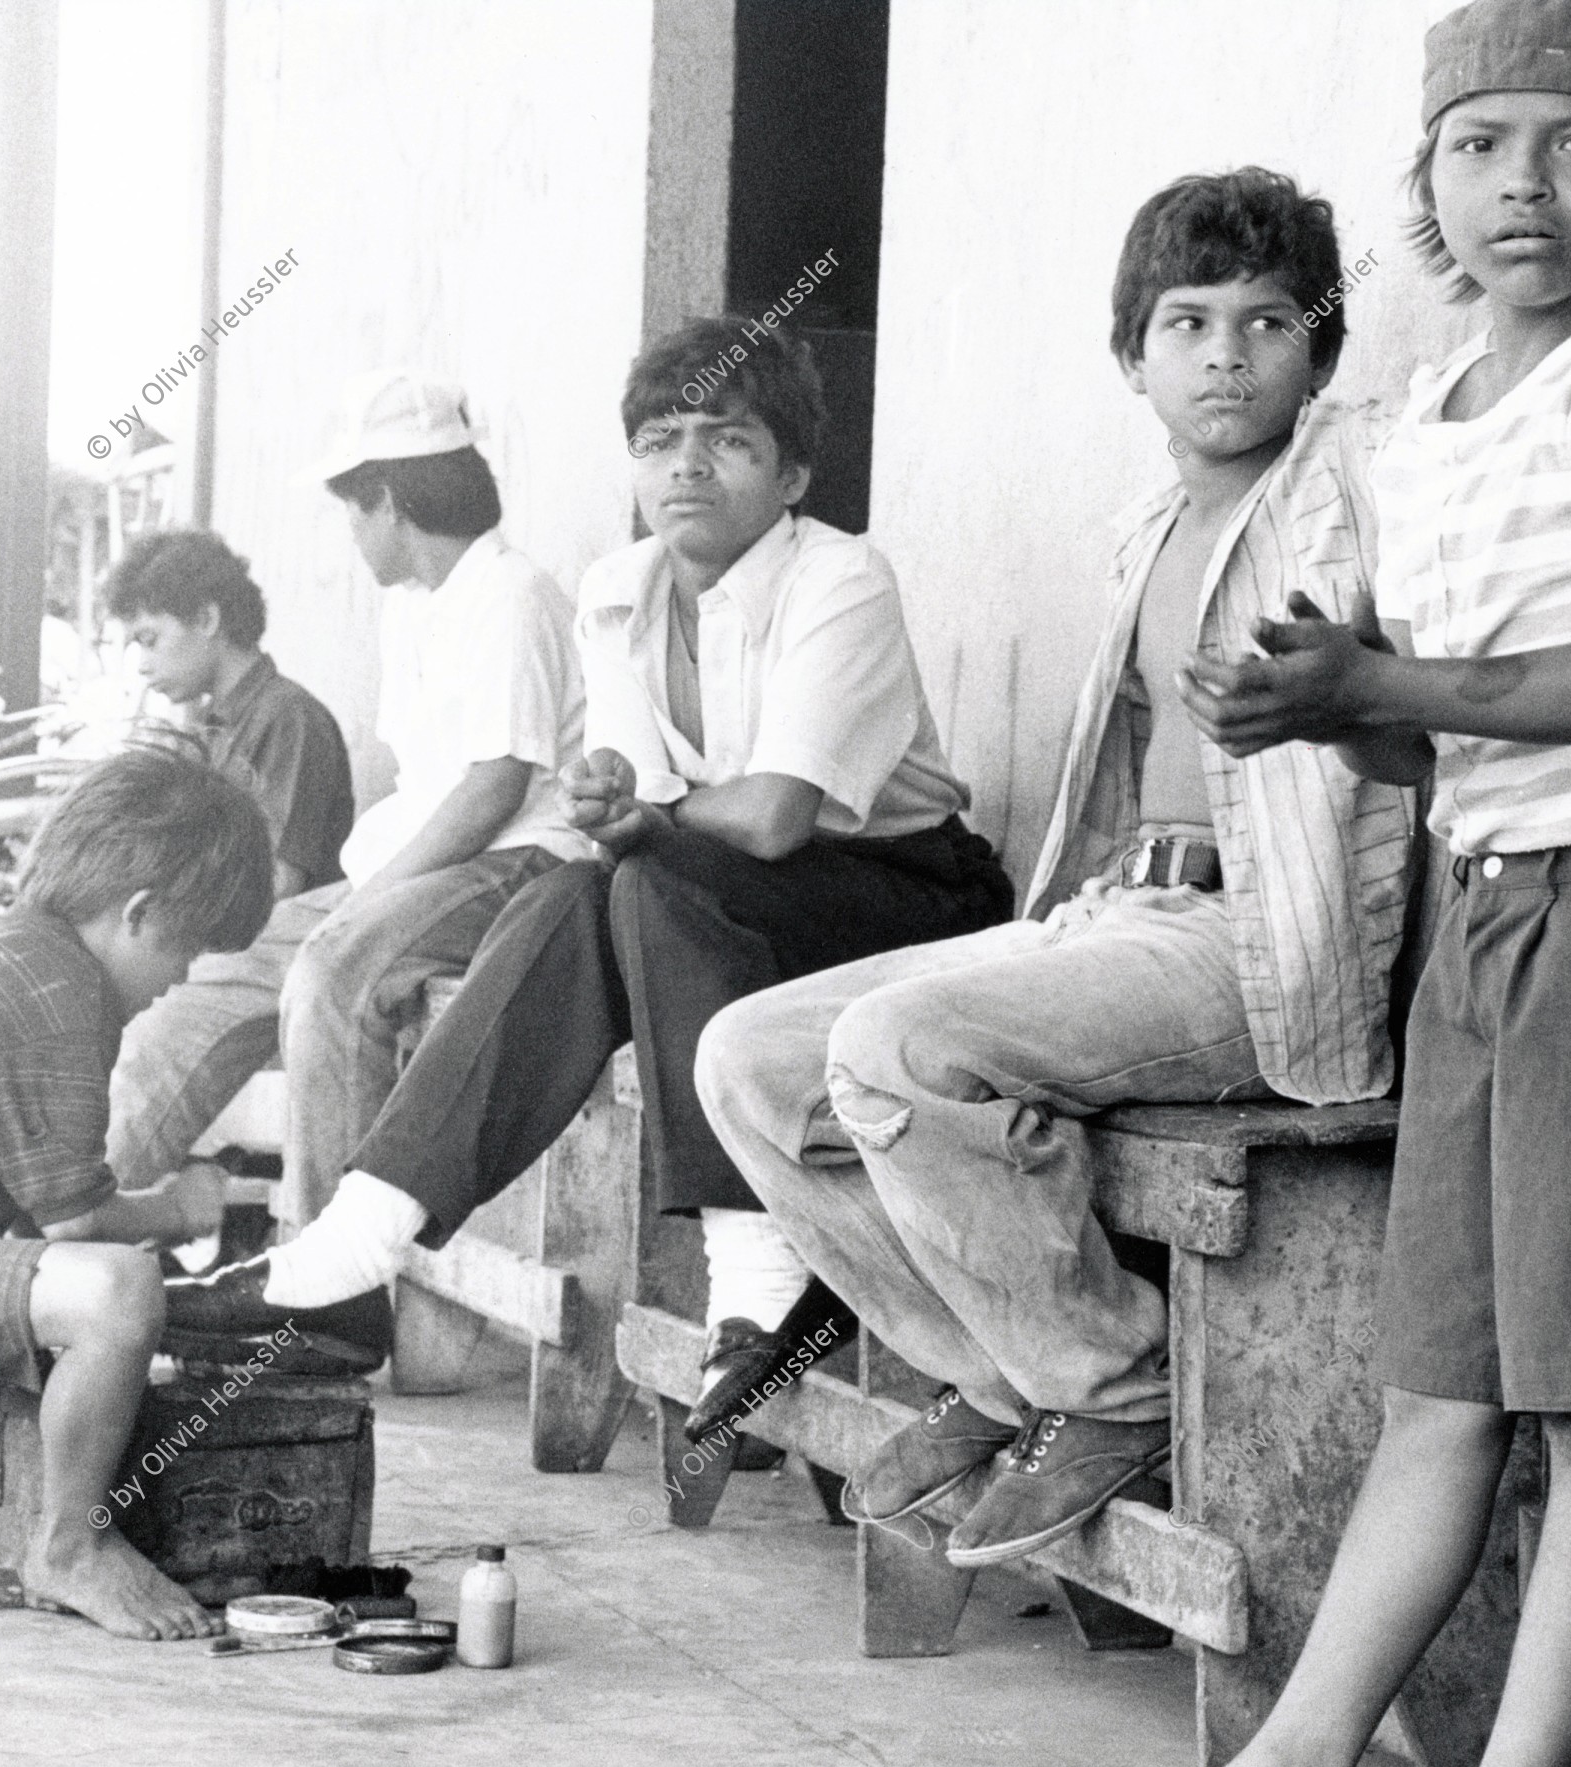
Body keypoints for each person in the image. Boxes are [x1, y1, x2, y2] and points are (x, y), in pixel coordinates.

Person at [695, 169, 1418, 1568]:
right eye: (1187, 322)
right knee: (750, 1058)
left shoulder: (1354, 479)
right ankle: (998, 1371)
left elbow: (1427, 453)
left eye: (1270, 323)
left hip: (1258, 937)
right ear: (1130, 356)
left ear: (1321, 351)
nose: (1226, 353)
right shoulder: (1143, 530)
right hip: (1119, 915)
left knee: (904, 1046)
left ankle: (1110, 1385)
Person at [166, 317, 1013, 1424]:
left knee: (633, 880)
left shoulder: (840, 578)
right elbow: (633, 816)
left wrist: (639, 813)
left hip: (899, 899)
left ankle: (721, 1277)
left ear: (793, 473)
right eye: (661, 440)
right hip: (708, 898)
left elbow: (769, 818)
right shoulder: (619, 588)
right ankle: (377, 1236)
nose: (688, 466)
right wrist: (631, 815)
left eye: (729, 440)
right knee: (603, 884)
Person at [1175, 6, 1571, 1767]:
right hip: (1484, 913)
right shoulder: (1433, 407)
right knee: (1438, 1392)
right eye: (1478, 144)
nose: (1522, 184)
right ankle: (1290, 1754)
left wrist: (1389, 692)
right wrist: (1330, 704)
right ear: (1429, 179)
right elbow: (1440, 742)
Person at [106, 372, 589, 1362]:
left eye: (352, 511)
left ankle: (321, 1293)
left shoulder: (514, 592)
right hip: (422, 864)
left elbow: (498, 782)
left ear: (389, 500)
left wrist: (373, 892)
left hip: (518, 863)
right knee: (202, 974)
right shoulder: (417, 605)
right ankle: (86, 1226)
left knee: (335, 972)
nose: (352, 536)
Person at [0, 749, 275, 1640]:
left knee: (55, 1285)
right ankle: (71, 1544)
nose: (182, 976)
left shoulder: (16, 951)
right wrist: (182, 1205)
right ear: (140, 913)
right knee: (118, 1291)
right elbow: (76, 1216)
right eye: (184, 948)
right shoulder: (63, 992)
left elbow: (30, 1218)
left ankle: (28, 1482)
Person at [106, 527, 354, 899]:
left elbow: (277, 884)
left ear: (207, 620)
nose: (142, 665)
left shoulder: (289, 718)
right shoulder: (208, 725)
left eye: (150, 640)